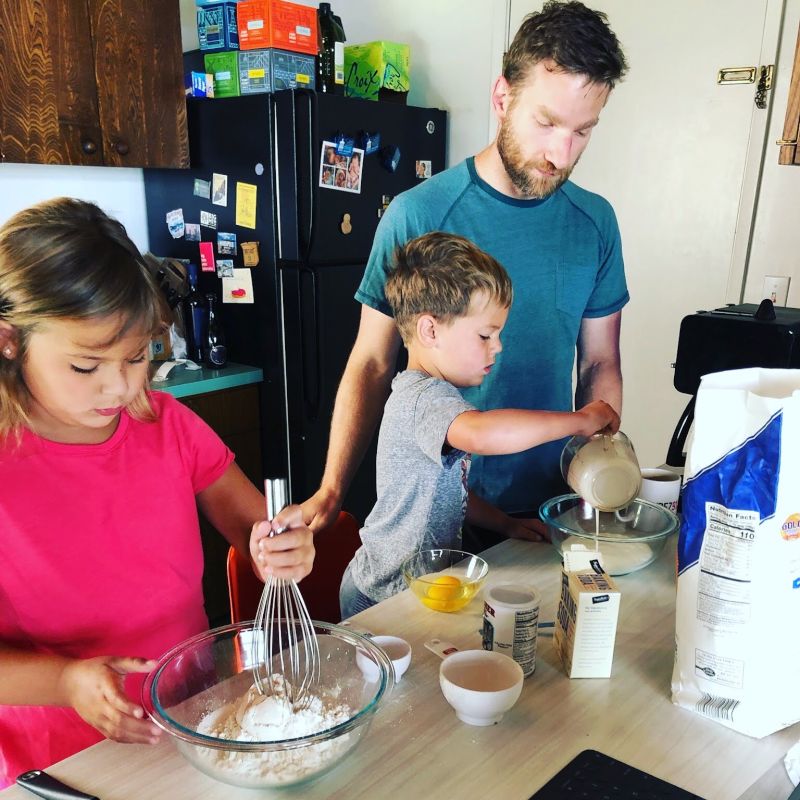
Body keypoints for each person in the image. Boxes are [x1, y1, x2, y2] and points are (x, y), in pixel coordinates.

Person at [0, 198, 314, 787]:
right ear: (9, 341)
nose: (120, 386)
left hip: (192, 715)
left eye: (138, 356)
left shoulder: (165, 424)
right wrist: (65, 681)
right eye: (87, 365)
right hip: (59, 758)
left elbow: (255, 528)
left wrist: (285, 546)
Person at [302, 1, 629, 542]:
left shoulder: (595, 223)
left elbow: (599, 362)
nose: (561, 152)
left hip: (551, 509)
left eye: (583, 131)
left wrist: (601, 462)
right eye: (546, 122)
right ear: (502, 97)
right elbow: (372, 361)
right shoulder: (420, 213)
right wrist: (332, 489)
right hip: (441, 514)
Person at [339, 232, 619, 617]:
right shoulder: (423, 399)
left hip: (418, 587)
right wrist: (580, 420)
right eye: (486, 334)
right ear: (430, 331)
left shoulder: (436, 398)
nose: (498, 346)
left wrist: (504, 524)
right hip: (382, 596)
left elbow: (449, 494)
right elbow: (484, 433)